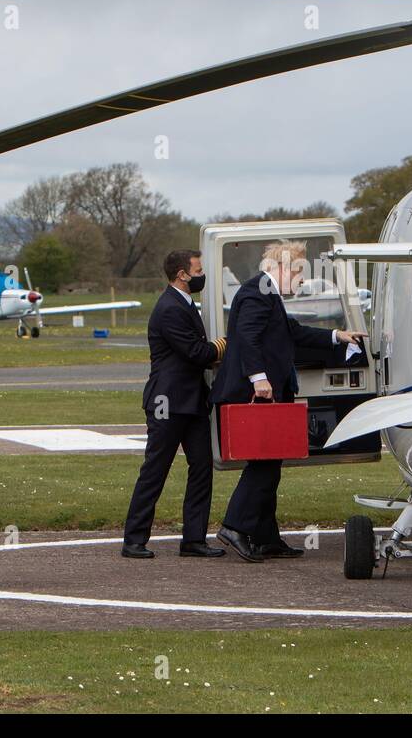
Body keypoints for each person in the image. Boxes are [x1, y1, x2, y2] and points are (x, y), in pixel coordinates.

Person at [212, 240, 366, 562]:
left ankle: (266, 538)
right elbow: (248, 335)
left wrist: (336, 336)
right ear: (283, 268)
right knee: (265, 465)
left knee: (270, 464)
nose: (300, 281)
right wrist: (260, 378)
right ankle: (234, 526)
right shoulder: (258, 292)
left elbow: (292, 332)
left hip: (265, 391)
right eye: (298, 273)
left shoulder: (266, 294)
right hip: (256, 393)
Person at [122, 249, 228, 559]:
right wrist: (224, 345)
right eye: (197, 270)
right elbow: (197, 353)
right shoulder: (170, 308)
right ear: (182, 274)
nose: (201, 275)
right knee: (156, 470)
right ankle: (134, 539)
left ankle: (193, 539)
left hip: (192, 402)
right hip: (168, 402)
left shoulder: (185, 304)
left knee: (201, 468)